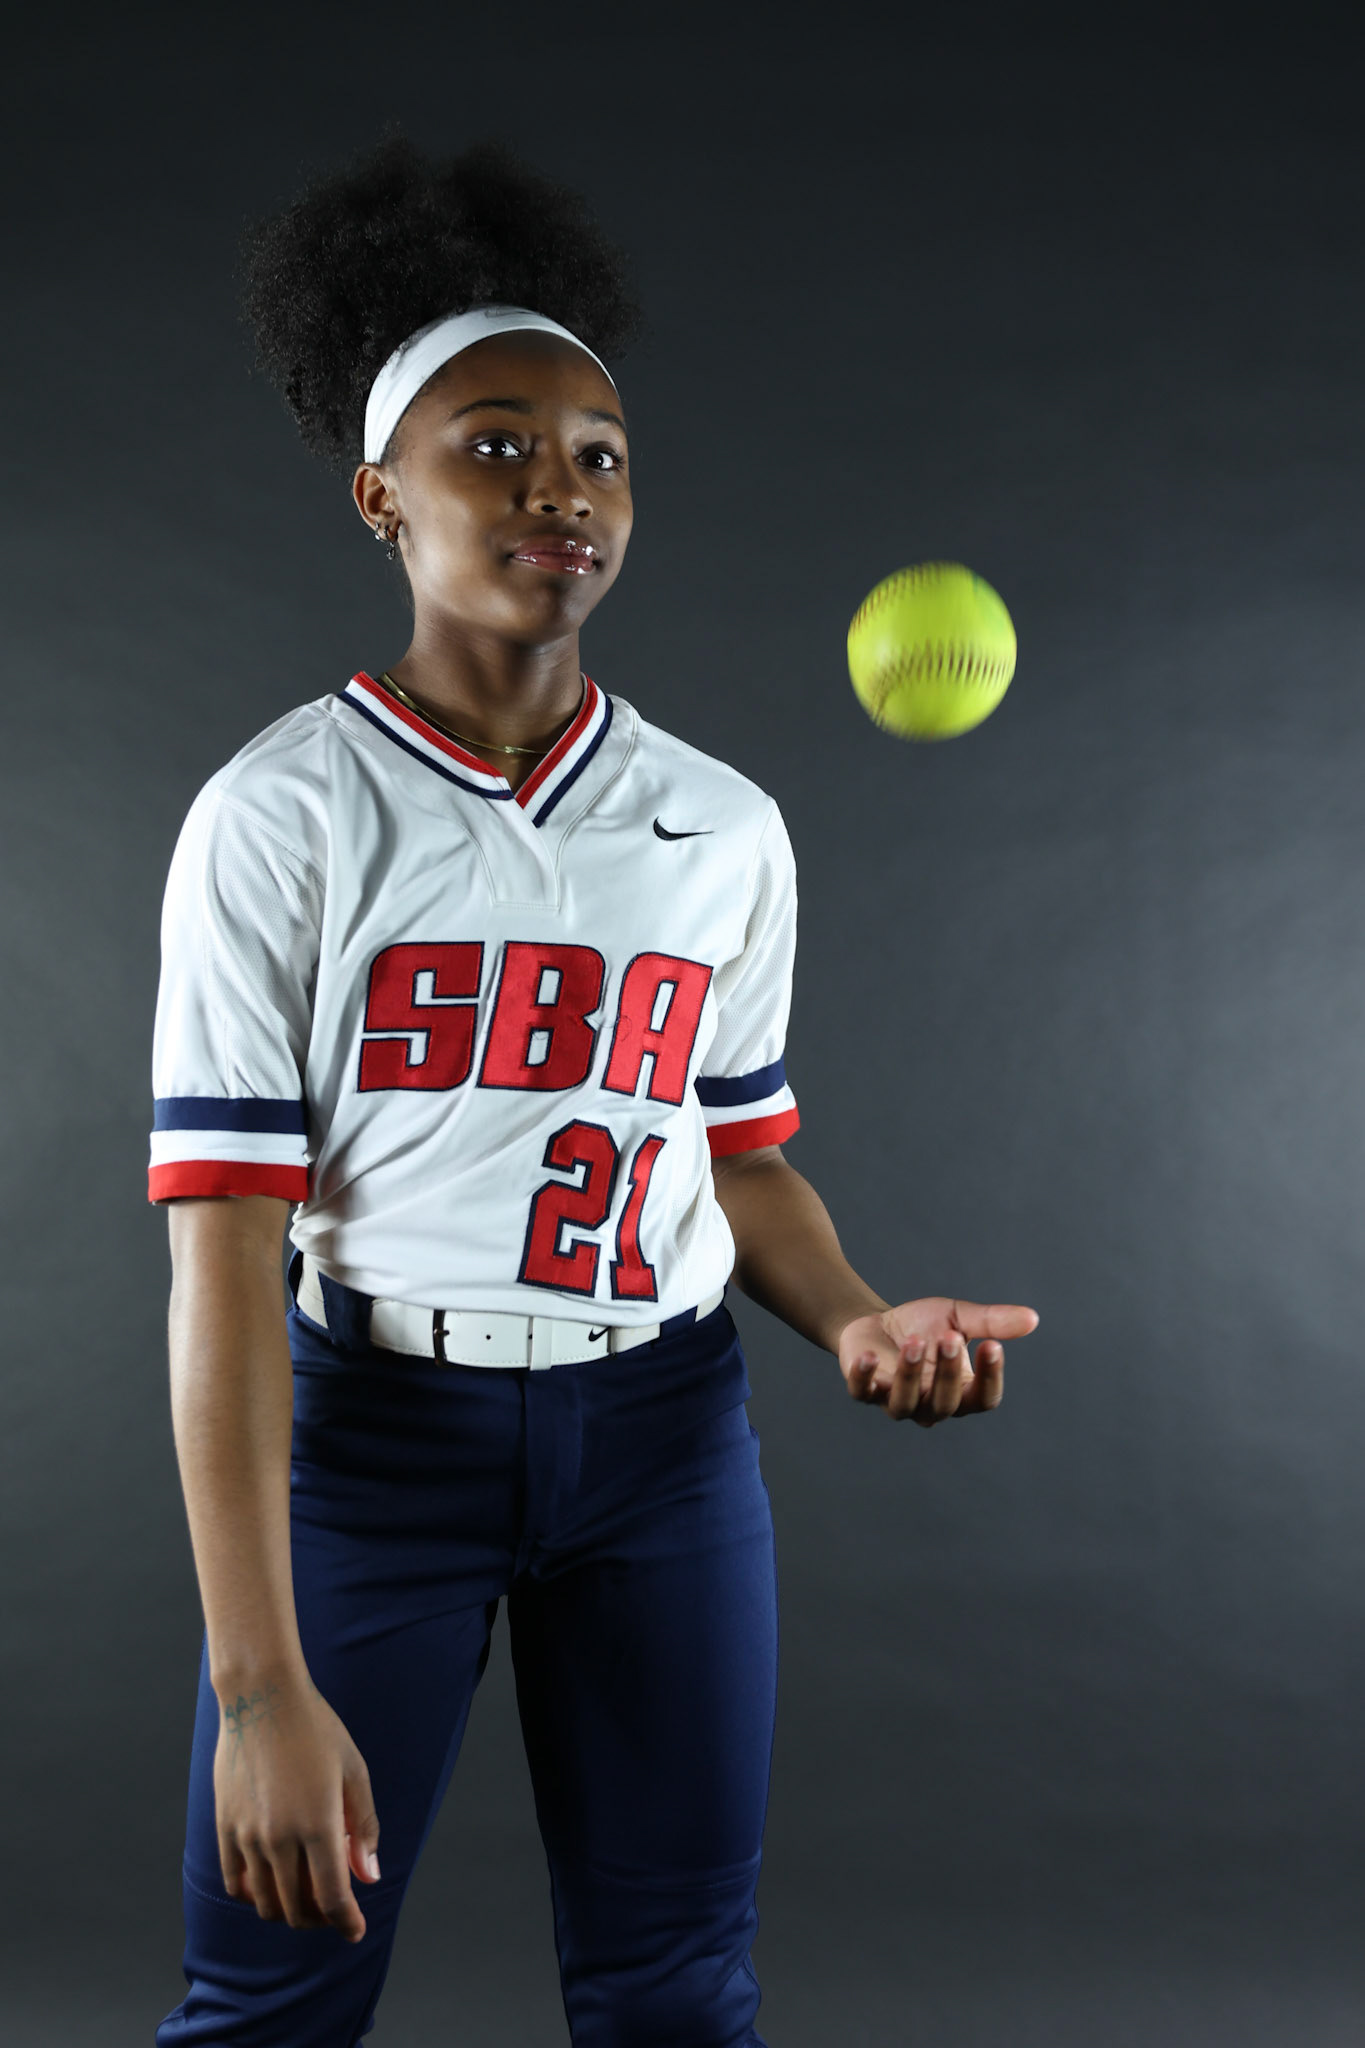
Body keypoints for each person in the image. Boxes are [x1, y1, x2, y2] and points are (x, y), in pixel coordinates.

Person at [148, 132, 1040, 2048]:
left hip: (662, 1439)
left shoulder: (721, 822)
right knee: (272, 1995)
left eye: (599, 454)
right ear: (379, 495)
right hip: (373, 1443)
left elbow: (740, 1162)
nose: (559, 485)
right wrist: (258, 1687)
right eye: (494, 445)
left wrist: (856, 1318)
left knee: (676, 1991)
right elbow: (220, 1249)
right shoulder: (280, 813)